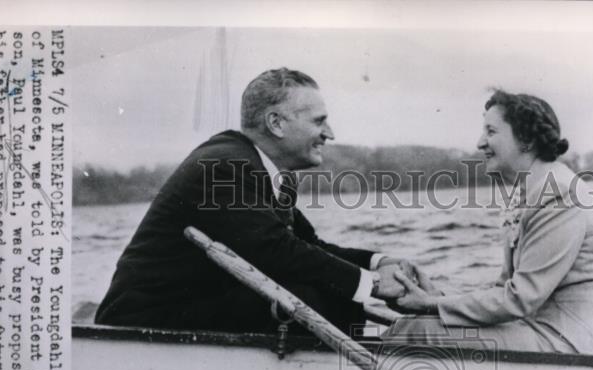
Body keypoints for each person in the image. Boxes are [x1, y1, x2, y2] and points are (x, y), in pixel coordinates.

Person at [95, 67, 411, 335]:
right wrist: (372, 285)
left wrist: (380, 262)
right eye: (318, 121)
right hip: (141, 322)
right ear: (276, 123)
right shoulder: (225, 165)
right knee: (315, 296)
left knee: (331, 294)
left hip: (196, 307)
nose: (330, 133)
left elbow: (308, 246)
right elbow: (276, 252)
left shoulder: (271, 173)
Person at [386, 90, 593, 356]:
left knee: (417, 331)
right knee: (414, 325)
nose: (480, 143)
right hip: (550, 332)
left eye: (491, 132)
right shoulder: (533, 190)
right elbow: (506, 290)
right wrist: (438, 297)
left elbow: (520, 298)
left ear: (525, 140)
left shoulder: (558, 192)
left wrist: (430, 305)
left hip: (580, 343)